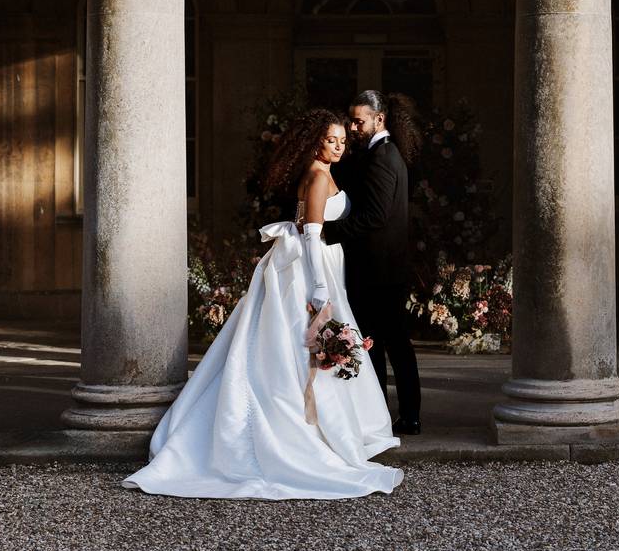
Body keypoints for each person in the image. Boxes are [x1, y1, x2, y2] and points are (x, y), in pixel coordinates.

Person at [122, 109, 403, 500]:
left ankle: (312, 425)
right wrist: (319, 286)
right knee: (296, 348)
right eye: (331, 141)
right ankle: (299, 432)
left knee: (286, 346)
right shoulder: (319, 176)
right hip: (311, 267)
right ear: (315, 142)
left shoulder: (317, 170)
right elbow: (310, 233)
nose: (339, 147)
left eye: (342, 140)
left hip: (311, 263)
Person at [324, 91, 423, 435]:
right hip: (381, 268)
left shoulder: (383, 156)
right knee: (378, 344)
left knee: (387, 344)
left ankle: (404, 417)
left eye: (358, 121)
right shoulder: (380, 154)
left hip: (379, 270)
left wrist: (328, 232)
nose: (352, 127)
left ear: (379, 119)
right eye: (350, 120)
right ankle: (390, 415)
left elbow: (375, 216)